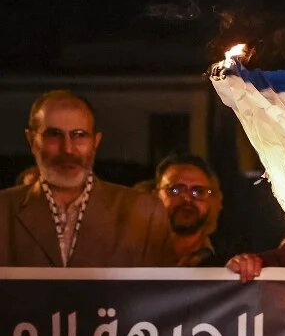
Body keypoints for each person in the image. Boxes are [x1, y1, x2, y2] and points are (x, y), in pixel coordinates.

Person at [0, 90, 176, 267]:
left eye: (79, 135)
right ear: (31, 140)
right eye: (54, 135)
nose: (68, 149)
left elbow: (163, 292)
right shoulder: (4, 211)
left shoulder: (144, 213)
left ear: (96, 142)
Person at [154, 152, 224, 266]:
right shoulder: (129, 252)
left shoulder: (227, 261)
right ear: (155, 195)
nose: (187, 199)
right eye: (175, 190)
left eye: (198, 191)